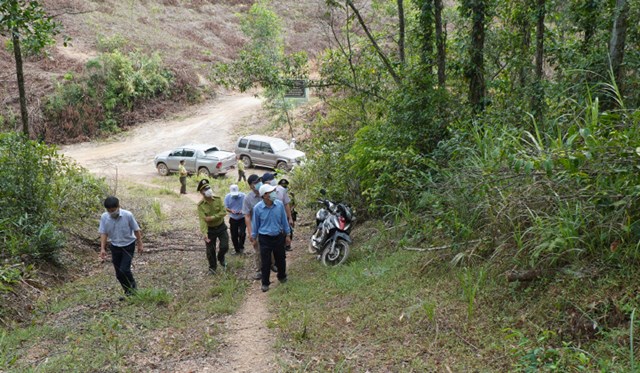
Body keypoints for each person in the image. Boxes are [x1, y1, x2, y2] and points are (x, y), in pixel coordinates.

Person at [99, 196, 143, 298]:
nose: (111, 212)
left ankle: (134, 290)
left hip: (128, 245)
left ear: (118, 206)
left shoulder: (128, 215)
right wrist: (102, 248)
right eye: (109, 211)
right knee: (119, 273)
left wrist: (140, 244)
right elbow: (103, 233)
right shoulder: (104, 217)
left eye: (113, 210)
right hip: (115, 246)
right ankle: (128, 292)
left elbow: (136, 229)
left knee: (125, 270)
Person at [251, 184, 291, 292]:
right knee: (266, 261)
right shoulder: (258, 208)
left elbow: (284, 221)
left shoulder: (279, 205)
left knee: (281, 258)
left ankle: (282, 276)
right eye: (271, 192)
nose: (274, 193)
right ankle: (265, 283)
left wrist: (287, 234)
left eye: (274, 191)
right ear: (264, 195)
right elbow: (255, 224)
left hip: (278, 236)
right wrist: (254, 238)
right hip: (264, 238)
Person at [197, 179, 229, 275]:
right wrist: (204, 233)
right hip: (210, 230)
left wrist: (212, 218)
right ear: (201, 192)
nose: (208, 190)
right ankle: (212, 267)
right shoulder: (200, 205)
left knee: (224, 246)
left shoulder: (218, 199)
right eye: (205, 189)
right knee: (210, 250)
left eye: (209, 188)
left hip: (221, 226)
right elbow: (202, 220)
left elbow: (223, 212)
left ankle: (221, 257)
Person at [242, 174, 263, 280]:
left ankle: (272, 264)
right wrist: (250, 233)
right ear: (250, 186)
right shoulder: (248, 198)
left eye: (259, 181)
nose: (258, 184)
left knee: (271, 247)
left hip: (268, 226)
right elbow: (247, 216)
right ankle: (259, 270)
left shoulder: (266, 193)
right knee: (257, 249)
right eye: (255, 182)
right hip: (257, 228)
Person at [224, 184, 246, 255]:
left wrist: (242, 210)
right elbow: (226, 207)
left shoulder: (243, 196)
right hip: (233, 218)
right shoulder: (227, 197)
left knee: (242, 233)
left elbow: (247, 206)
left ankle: (241, 246)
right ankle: (237, 250)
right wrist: (231, 211)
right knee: (234, 235)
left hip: (242, 217)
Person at [278, 178, 297, 251]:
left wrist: (290, 213)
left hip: (290, 213)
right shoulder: (277, 192)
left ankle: (288, 245)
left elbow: (293, 203)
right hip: (281, 214)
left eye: (285, 185)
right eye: (282, 185)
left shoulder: (290, 194)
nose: (284, 186)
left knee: (290, 230)